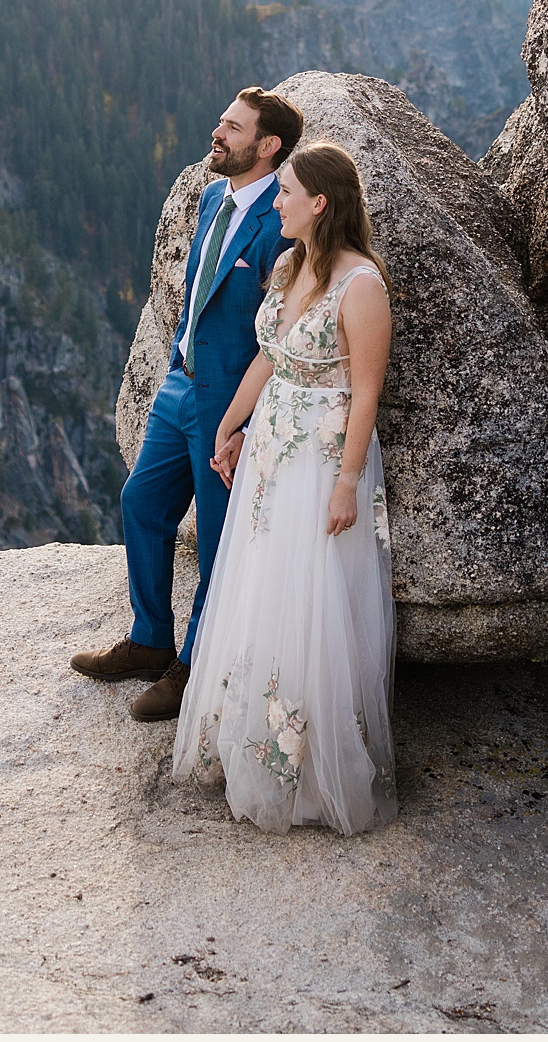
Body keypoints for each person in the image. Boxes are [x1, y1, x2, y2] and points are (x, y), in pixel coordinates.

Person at [171, 141, 397, 835]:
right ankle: (249, 741)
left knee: (312, 599)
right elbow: (269, 360)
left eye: (286, 193)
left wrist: (348, 484)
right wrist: (229, 429)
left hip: (322, 458)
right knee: (259, 585)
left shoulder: (361, 286)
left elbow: (366, 394)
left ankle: (308, 766)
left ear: (319, 203)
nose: (275, 202)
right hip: (271, 451)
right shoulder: (288, 264)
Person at [70, 87, 304, 720]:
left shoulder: (281, 223)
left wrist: (242, 417)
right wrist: (178, 356)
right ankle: (149, 640)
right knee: (141, 502)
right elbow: (196, 292)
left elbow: (280, 327)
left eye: (232, 126)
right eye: (221, 122)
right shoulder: (210, 199)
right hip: (181, 384)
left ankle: (194, 664)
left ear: (268, 145)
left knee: (220, 534)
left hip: (230, 403)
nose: (217, 132)